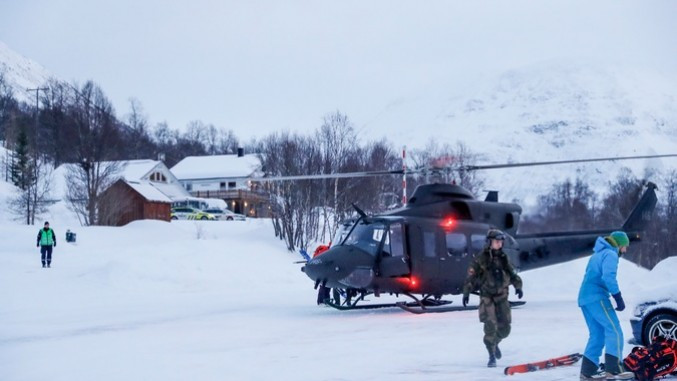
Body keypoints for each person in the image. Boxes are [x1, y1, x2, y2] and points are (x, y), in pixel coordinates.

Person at [578, 231, 635, 380]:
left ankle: (587, 371)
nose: (625, 250)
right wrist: (618, 297)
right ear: (619, 244)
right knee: (614, 330)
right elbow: (608, 277)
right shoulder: (610, 254)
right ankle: (614, 369)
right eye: (625, 247)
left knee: (597, 335)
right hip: (597, 297)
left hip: (585, 298)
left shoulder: (597, 254)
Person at [462, 228, 523, 368]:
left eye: (501, 242)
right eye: (497, 242)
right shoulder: (481, 259)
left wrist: (518, 286)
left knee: (505, 329)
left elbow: (512, 273)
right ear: (490, 242)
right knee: (490, 326)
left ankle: (494, 344)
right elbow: (471, 276)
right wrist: (466, 292)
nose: (499, 244)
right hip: (487, 297)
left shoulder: (503, 258)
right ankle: (491, 355)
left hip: (502, 297)